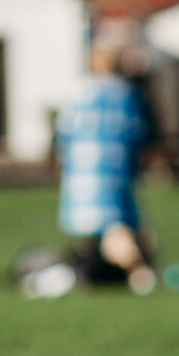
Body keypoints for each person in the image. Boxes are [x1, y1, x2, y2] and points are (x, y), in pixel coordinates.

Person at [55, 46, 156, 289]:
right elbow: (137, 131)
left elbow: (63, 131)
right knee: (117, 225)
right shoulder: (125, 93)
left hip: (80, 171)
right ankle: (137, 271)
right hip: (113, 169)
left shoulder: (79, 91)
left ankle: (105, 271)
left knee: (98, 228)